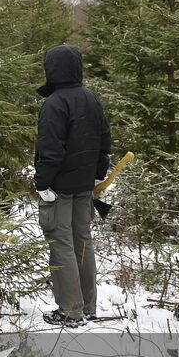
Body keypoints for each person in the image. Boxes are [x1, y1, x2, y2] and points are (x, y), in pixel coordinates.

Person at [33, 44, 111, 327]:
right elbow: (105, 140)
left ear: (51, 69)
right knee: (82, 240)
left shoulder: (54, 104)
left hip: (60, 188)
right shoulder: (91, 98)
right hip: (84, 184)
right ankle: (87, 307)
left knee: (62, 243)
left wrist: (42, 182)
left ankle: (70, 310)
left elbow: (51, 150)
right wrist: (97, 174)